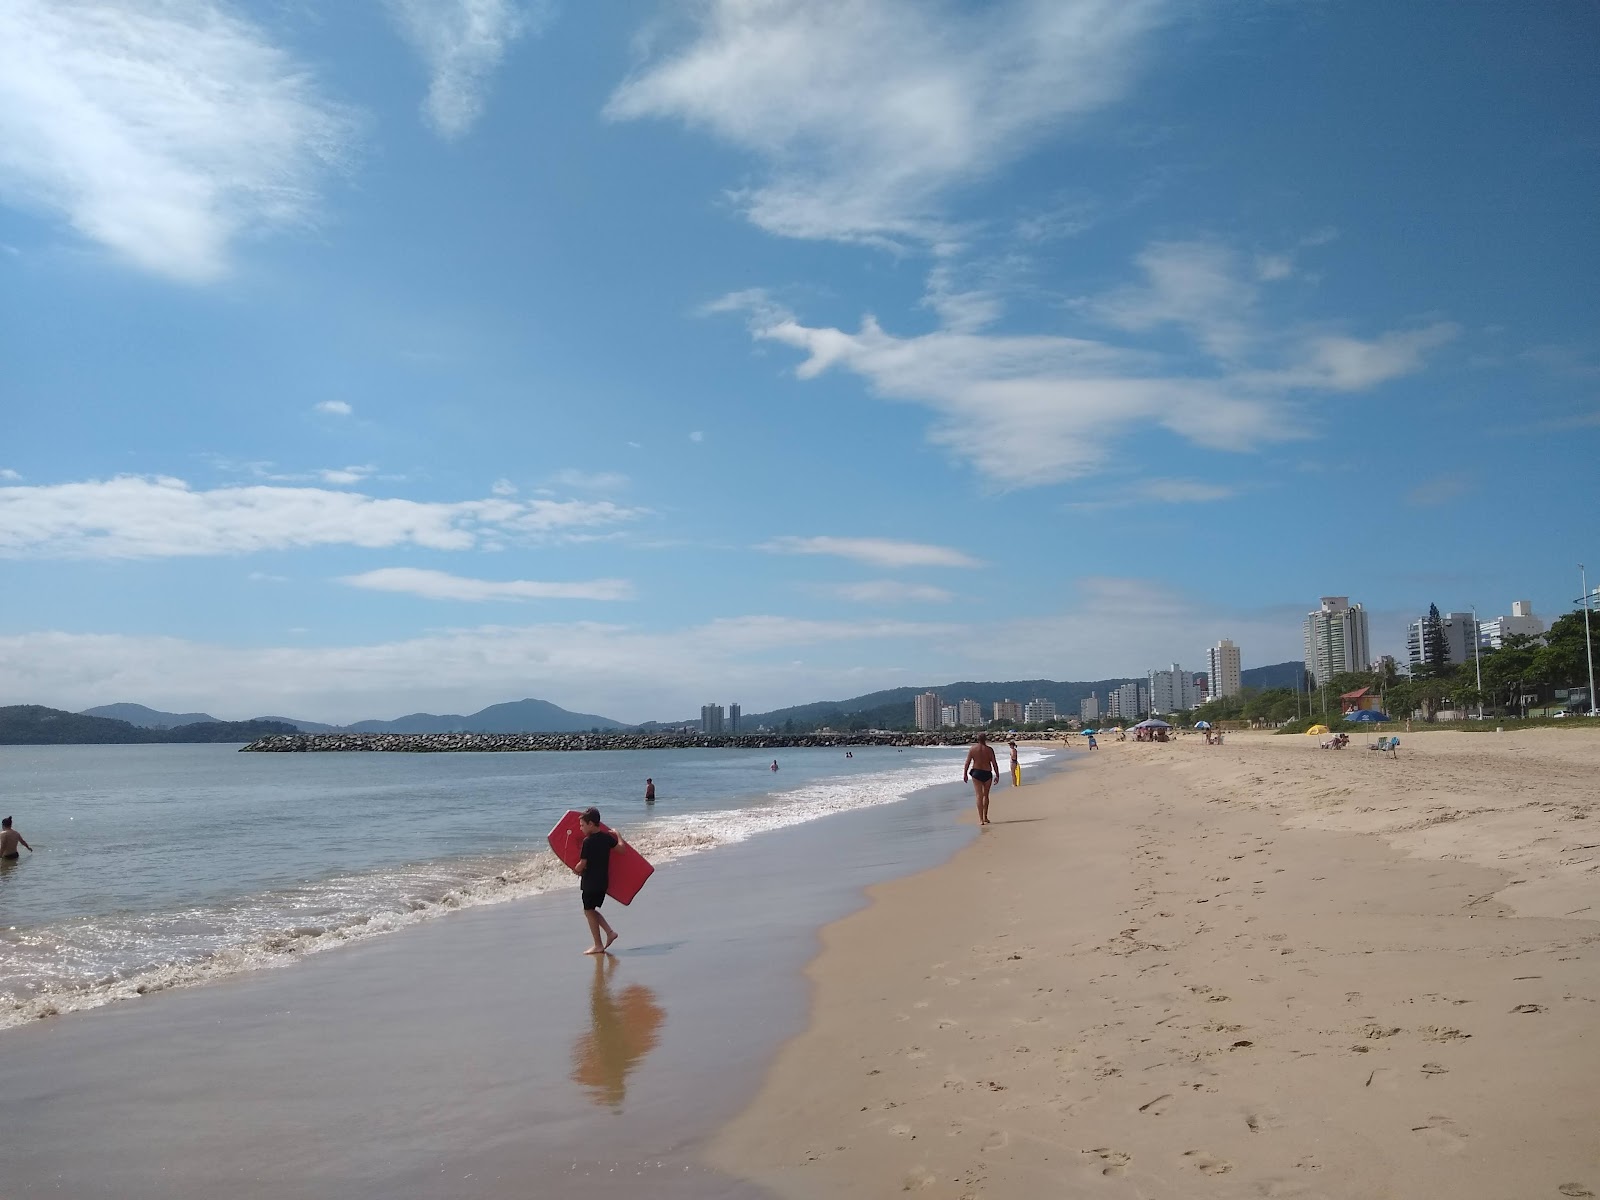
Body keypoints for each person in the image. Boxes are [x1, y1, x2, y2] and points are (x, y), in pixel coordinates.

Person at [572, 807, 623, 955]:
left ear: (591, 824)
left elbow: (582, 864)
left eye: (582, 825)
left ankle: (598, 944)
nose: (580, 828)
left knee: (588, 911)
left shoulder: (587, 842)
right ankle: (610, 933)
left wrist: (576, 869)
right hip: (602, 882)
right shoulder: (607, 838)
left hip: (590, 882)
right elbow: (621, 850)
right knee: (591, 910)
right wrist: (619, 836)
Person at [962, 734, 999, 826]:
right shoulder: (989, 750)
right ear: (985, 739)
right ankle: (985, 817)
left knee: (979, 796)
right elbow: (994, 763)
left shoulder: (973, 749)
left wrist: (965, 774)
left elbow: (967, 762)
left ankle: (981, 819)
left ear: (977, 739)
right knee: (985, 796)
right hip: (987, 773)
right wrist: (997, 774)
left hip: (976, 773)